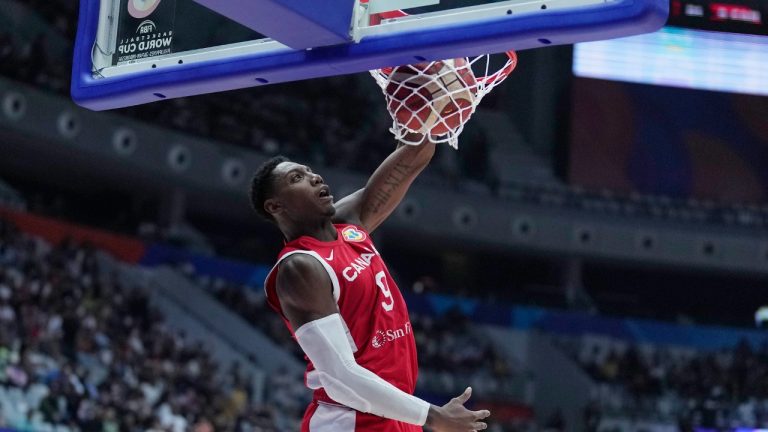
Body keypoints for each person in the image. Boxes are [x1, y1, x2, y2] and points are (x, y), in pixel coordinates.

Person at [251, 132, 490, 431]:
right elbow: (341, 377)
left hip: (394, 412)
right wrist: (432, 416)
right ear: (276, 206)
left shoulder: (349, 223)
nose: (314, 177)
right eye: (297, 177)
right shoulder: (300, 267)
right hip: (350, 420)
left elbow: (413, 160)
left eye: (311, 171)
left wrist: (428, 117)